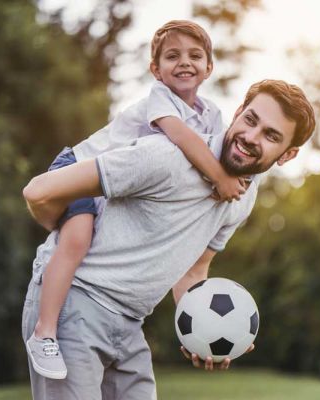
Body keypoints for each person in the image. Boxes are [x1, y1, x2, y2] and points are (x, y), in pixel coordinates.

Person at [22, 79, 316, 399]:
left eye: (271, 135)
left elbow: (192, 271)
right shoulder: (167, 158)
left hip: (130, 324)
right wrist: (66, 240)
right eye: (250, 120)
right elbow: (39, 192)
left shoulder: (243, 198)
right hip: (74, 303)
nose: (251, 137)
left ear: (288, 155)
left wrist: (205, 328)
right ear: (237, 112)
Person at [24, 20, 248, 380]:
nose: (184, 63)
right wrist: (220, 178)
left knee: (87, 238)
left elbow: (210, 152)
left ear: (209, 67)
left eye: (195, 55)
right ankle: (45, 332)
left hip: (111, 186)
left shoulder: (213, 115)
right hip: (78, 169)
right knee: (77, 240)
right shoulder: (160, 100)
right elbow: (180, 138)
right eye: (172, 56)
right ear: (155, 70)